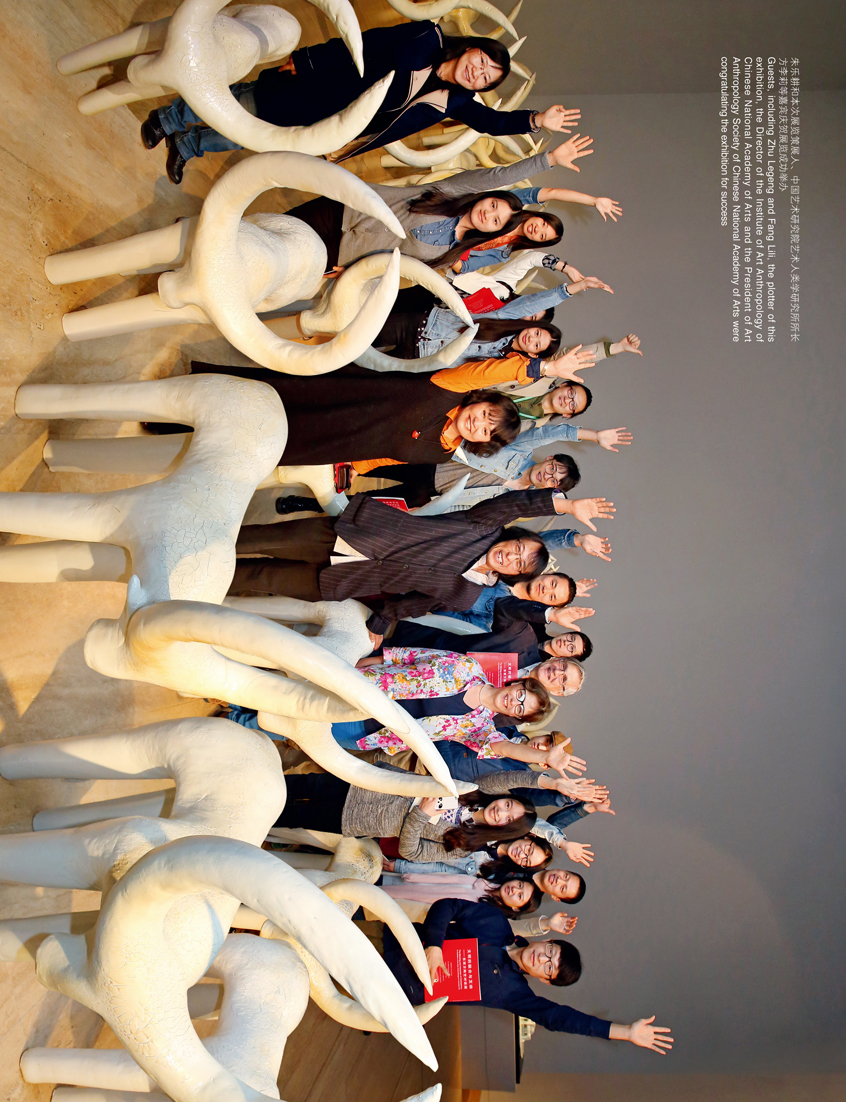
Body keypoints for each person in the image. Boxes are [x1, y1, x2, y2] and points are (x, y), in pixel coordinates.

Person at [142, 22, 585, 181]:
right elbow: (366, 42)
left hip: (332, 124)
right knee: (245, 104)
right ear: (472, 47)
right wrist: (309, 60)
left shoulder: (456, 101)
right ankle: (169, 118)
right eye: (483, 61)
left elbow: (492, 123)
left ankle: (188, 146)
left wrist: (536, 120)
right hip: (319, 86)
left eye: (488, 77)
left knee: (251, 135)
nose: (479, 73)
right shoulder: (425, 36)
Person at [230, 488, 614, 643]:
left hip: (344, 579)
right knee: (256, 539)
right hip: (352, 534)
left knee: (260, 577)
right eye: (517, 547)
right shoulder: (480, 527)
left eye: (519, 564)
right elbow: (513, 504)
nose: (512, 557)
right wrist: (566, 505)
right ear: (509, 537)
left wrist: (379, 625)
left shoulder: (467, 595)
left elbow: (415, 604)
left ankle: (198, 580)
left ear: (515, 575)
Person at [384, 898, 674, 1052]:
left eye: (549, 968)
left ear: (545, 980)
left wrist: (625, 1032)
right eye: (550, 952)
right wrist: (435, 945)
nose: (542, 959)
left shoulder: (514, 993)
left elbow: (558, 1018)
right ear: (548, 941)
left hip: (395, 991)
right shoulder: (496, 923)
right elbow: (448, 905)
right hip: (388, 940)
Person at [270, 142, 605, 271]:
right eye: (493, 204)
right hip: (343, 209)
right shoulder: (448, 192)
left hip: (342, 254)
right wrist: (549, 159)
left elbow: (394, 266)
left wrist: (353, 273)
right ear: (485, 196)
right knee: (268, 233)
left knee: (277, 266)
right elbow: (501, 175)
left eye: (496, 221)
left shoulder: (447, 254)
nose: (489, 214)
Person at [184, 365, 521, 469]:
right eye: (485, 414)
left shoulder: (443, 455)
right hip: (331, 401)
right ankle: (183, 397)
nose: (478, 424)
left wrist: (356, 469)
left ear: (483, 443)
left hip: (330, 444)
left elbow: (390, 457)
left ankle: (175, 433)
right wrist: (538, 368)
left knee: (250, 442)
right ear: (481, 399)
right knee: (250, 399)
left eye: (486, 432)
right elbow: (489, 372)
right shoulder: (448, 387)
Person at [331, 647, 558, 757]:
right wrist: (357, 664)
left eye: (520, 709)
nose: (514, 702)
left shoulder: (479, 728)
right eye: (521, 695)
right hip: (358, 685)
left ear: (515, 716)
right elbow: (408, 656)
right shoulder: (468, 666)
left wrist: (544, 756)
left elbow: (505, 748)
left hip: (363, 729)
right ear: (517, 683)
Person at [345, 452, 581, 513]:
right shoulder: (516, 453)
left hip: (430, 497)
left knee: (369, 504)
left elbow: (470, 507)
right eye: (553, 468)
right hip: (430, 466)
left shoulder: (517, 500)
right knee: (365, 465)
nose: (547, 476)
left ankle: (322, 503)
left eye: (553, 481)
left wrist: (429, 510)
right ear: (550, 458)